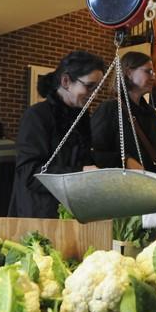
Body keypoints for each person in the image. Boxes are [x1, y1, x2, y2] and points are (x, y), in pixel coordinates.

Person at [10, 50, 104, 219]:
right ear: (66, 81)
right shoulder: (37, 116)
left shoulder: (81, 117)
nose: (94, 94)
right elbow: (30, 175)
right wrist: (80, 172)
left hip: (72, 212)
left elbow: (84, 161)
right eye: (89, 86)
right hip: (40, 214)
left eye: (97, 88)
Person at [91, 51, 156, 174]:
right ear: (128, 73)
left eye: (153, 72)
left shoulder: (152, 114)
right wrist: (125, 161)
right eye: (148, 71)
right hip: (120, 187)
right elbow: (94, 153)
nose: (154, 77)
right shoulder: (110, 110)